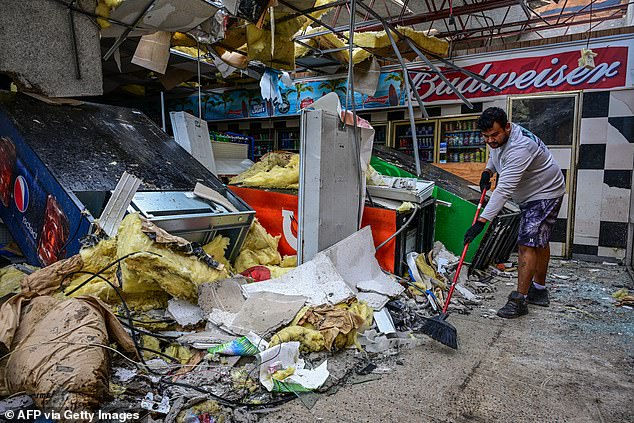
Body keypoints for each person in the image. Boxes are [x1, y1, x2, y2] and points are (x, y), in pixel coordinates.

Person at [463, 107, 565, 319]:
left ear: (507, 127)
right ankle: (538, 290)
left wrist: (481, 222)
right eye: (485, 136)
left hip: (544, 193)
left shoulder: (521, 147)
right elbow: (495, 152)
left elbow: (503, 190)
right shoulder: (501, 138)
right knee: (540, 241)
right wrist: (487, 171)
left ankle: (519, 300)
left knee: (527, 243)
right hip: (531, 193)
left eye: (494, 135)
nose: (490, 140)